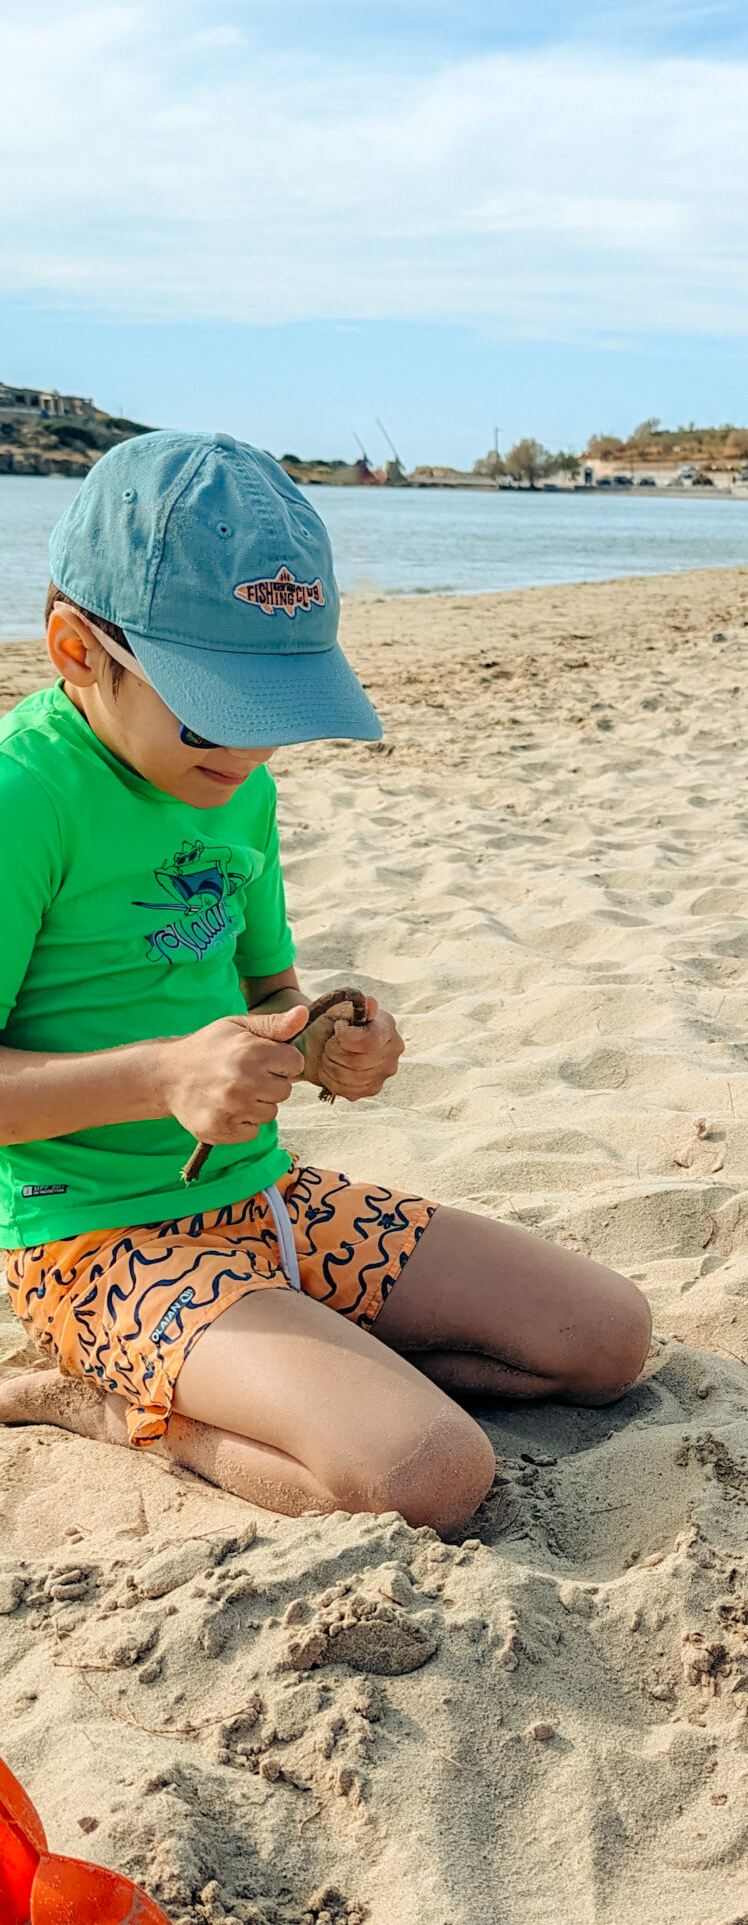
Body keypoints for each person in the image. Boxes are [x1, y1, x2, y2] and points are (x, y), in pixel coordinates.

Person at [0, 434, 651, 1530]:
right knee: (430, 1476)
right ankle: (98, 1398)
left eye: (273, 717)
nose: (250, 758)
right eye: (215, 711)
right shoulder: (28, 799)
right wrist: (162, 1074)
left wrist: (326, 1048)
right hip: (94, 1241)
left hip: (265, 1201)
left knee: (607, 1340)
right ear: (76, 650)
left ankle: (301, 1368)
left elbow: (270, 1006)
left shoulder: (228, 782)